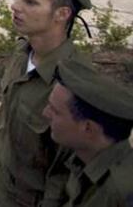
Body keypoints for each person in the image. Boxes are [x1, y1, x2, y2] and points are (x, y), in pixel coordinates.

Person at [0, 0, 93, 207]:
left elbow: (70, 171)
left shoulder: (77, 83)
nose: (15, 6)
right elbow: (4, 124)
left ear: (62, 14)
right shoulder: (22, 54)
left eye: (30, 2)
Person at [43, 61, 133, 206]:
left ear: (88, 128)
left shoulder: (120, 193)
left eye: (55, 111)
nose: (45, 113)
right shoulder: (83, 156)